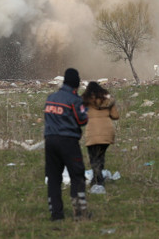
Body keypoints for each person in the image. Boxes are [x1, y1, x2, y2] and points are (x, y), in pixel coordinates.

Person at [43, 67, 89, 221]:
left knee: (54, 178)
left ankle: (56, 214)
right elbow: (82, 120)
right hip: (68, 141)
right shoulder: (74, 100)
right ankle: (80, 213)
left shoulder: (51, 98)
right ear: (76, 83)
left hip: (50, 141)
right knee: (77, 176)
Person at [81, 81, 120, 194]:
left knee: (93, 157)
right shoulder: (108, 101)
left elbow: (80, 115)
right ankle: (98, 179)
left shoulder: (85, 101)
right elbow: (116, 116)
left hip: (92, 131)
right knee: (100, 156)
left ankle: (97, 180)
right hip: (107, 131)